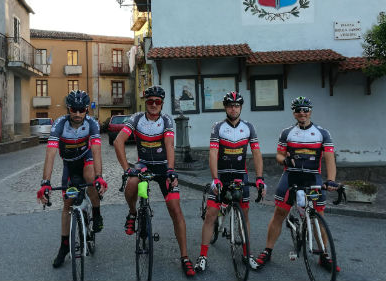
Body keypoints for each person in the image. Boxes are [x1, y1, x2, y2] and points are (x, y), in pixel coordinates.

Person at [113, 85, 196, 277]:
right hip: (143, 165)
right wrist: (127, 169)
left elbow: (169, 145)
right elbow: (118, 141)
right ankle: (133, 213)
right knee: (132, 182)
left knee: (175, 209)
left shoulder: (166, 120)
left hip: (163, 166)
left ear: (162, 104)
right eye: (150, 101)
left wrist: (171, 171)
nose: (153, 105)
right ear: (145, 103)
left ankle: (185, 257)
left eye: (157, 102)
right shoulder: (136, 119)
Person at [254, 96, 340, 272]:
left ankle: (324, 255)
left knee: (319, 216)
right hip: (291, 177)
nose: (302, 112)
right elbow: (278, 154)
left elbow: (330, 160)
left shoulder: (322, 133)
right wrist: (284, 160)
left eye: (305, 109)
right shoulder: (287, 133)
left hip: (313, 178)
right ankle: (267, 251)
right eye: (299, 110)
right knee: (279, 213)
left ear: (310, 111)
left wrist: (331, 179)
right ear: (294, 113)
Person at [194, 91, 266, 273]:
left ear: (240, 107)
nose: (233, 108)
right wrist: (215, 178)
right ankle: (202, 256)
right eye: (230, 105)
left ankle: (247, 254)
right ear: (226, 107)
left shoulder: (249, 127)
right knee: (211, 214)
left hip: (241, 176)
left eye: (237, 105)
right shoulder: (218, 127)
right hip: (223, 175)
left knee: (245, 216)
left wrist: (259, 178)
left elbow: (257, 153)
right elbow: (212, 153)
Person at [37, 90, 107, 268]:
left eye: (81, 110)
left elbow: (97, 150)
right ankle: (64, 246)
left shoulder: (92, 124)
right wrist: (45, 182)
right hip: (69, 164)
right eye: (73, 109)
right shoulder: (60, 124)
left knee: (90, 177)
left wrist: (99, 178)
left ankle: (96, 213)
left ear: (86, 110)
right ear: (68, 109)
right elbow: (51, 153)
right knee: (67, 205)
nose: (77, 114)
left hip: (86, 158)